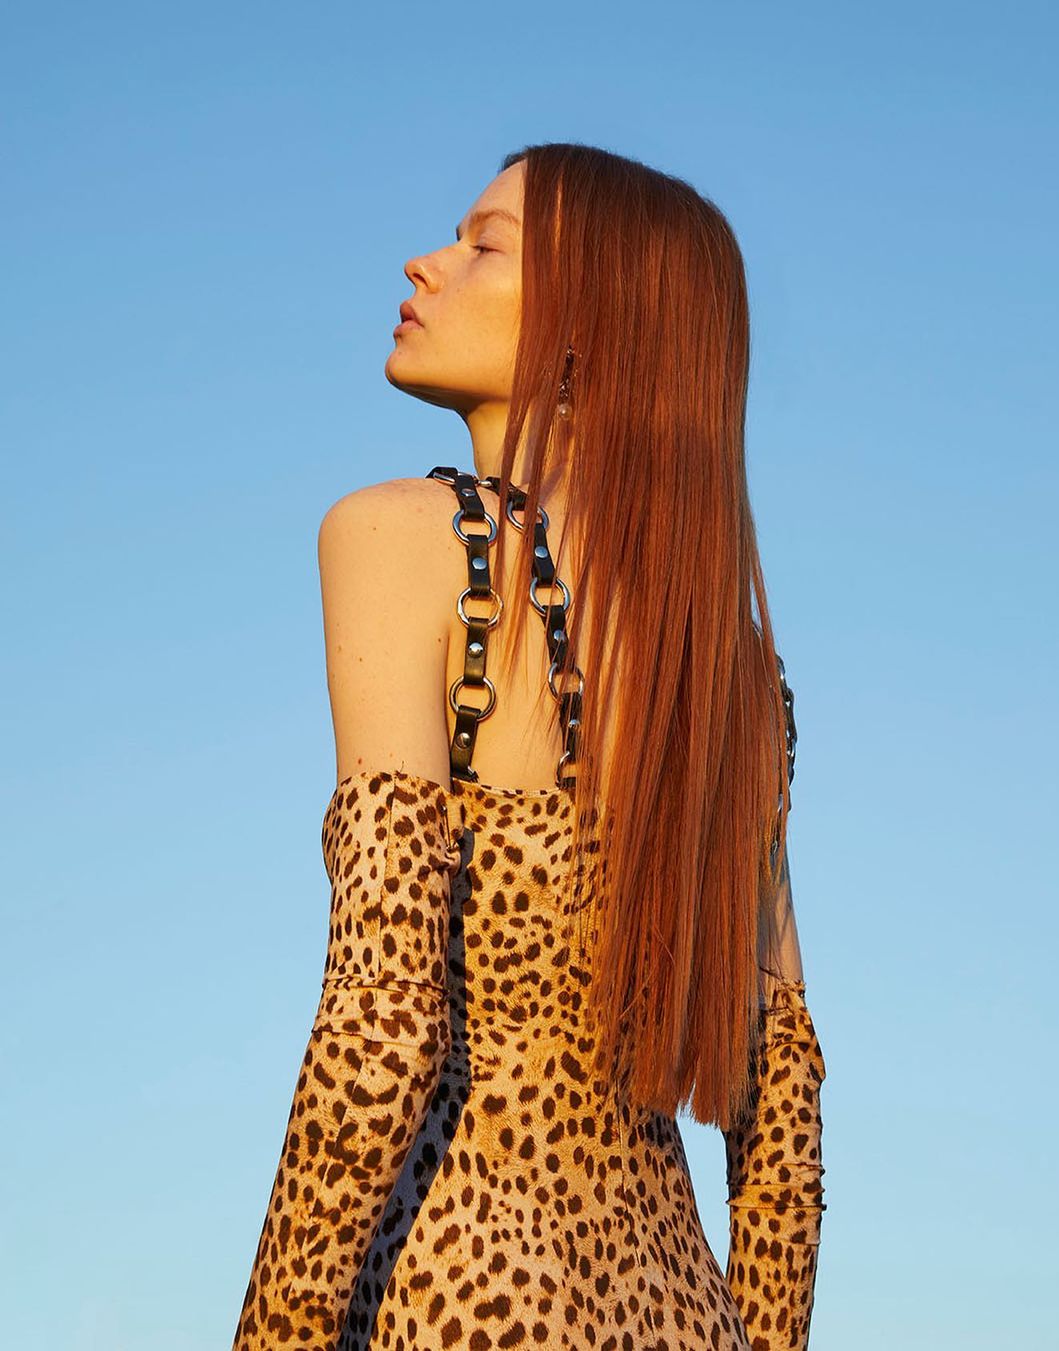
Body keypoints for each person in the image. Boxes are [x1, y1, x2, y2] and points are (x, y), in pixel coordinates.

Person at [232, 142, 827, 1351]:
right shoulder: (727, 669)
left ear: (587, 331)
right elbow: (784, 1110)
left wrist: (275, 1334)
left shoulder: (405, 541)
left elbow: (384, 1021)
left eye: (484, 244)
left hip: (452, 1294)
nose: (425, 262)